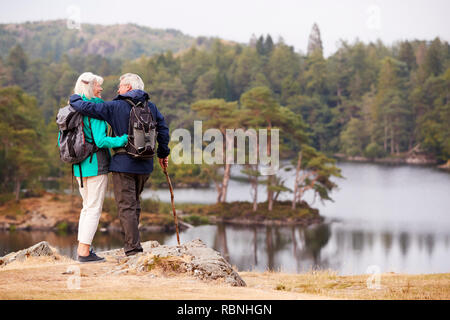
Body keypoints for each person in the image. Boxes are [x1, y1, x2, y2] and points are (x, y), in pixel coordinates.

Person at [69, 73, 170, 256]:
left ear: (129, 88)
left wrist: (74, 97)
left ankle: (132, 249)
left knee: (126, 207)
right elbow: (163, 131)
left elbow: (86, 107)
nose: (118, 89)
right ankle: (134, 244)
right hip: (145, 165)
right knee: (135, 204)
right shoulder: (152, 107)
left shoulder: (115, 106)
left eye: (121, 86)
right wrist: (163, 154)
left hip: (123, 164)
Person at [67, 72, 129, 263]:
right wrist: (124, 139)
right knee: (93, 208)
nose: (101, 89)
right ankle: (84, 253)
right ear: (90, 87)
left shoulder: (74, 108)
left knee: (86, 207)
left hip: (79, 165)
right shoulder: (96, 108)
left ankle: (82, 249)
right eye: (97, 86)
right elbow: (101, 140)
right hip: (96, 163)